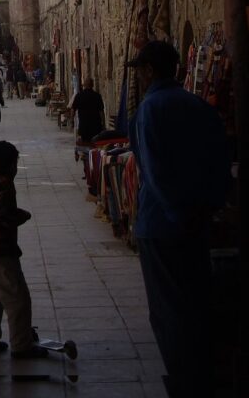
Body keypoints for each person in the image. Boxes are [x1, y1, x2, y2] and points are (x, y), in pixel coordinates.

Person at [127, 40, 231, 398]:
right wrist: (209, 208)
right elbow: (221, 161)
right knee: (196, 299)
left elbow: (154, 172)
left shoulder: (150, 109)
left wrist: (177, 213)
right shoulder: (198, 106)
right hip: (197, 220)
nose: (139, 77)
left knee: (168, 307)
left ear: (149, 70)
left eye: (141, 70)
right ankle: (203, 373)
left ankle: (185, 380)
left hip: (161, 225)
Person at [0, 141, 48, 359]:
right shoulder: (4, 185)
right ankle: (22, 345)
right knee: (17, 298)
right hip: (0, 250)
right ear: (11, 165)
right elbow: (3, 217)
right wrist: (22, 216)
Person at [71, 77, 105, 143]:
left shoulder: (79, 96)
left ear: (84, 85)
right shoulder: (97, 96)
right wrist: (103, 123)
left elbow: (73, 109)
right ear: (92, 85)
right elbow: (101, 111)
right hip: (96, 126)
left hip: (83, 126)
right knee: (95, 144)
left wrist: (72, 121)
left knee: (85, 144)